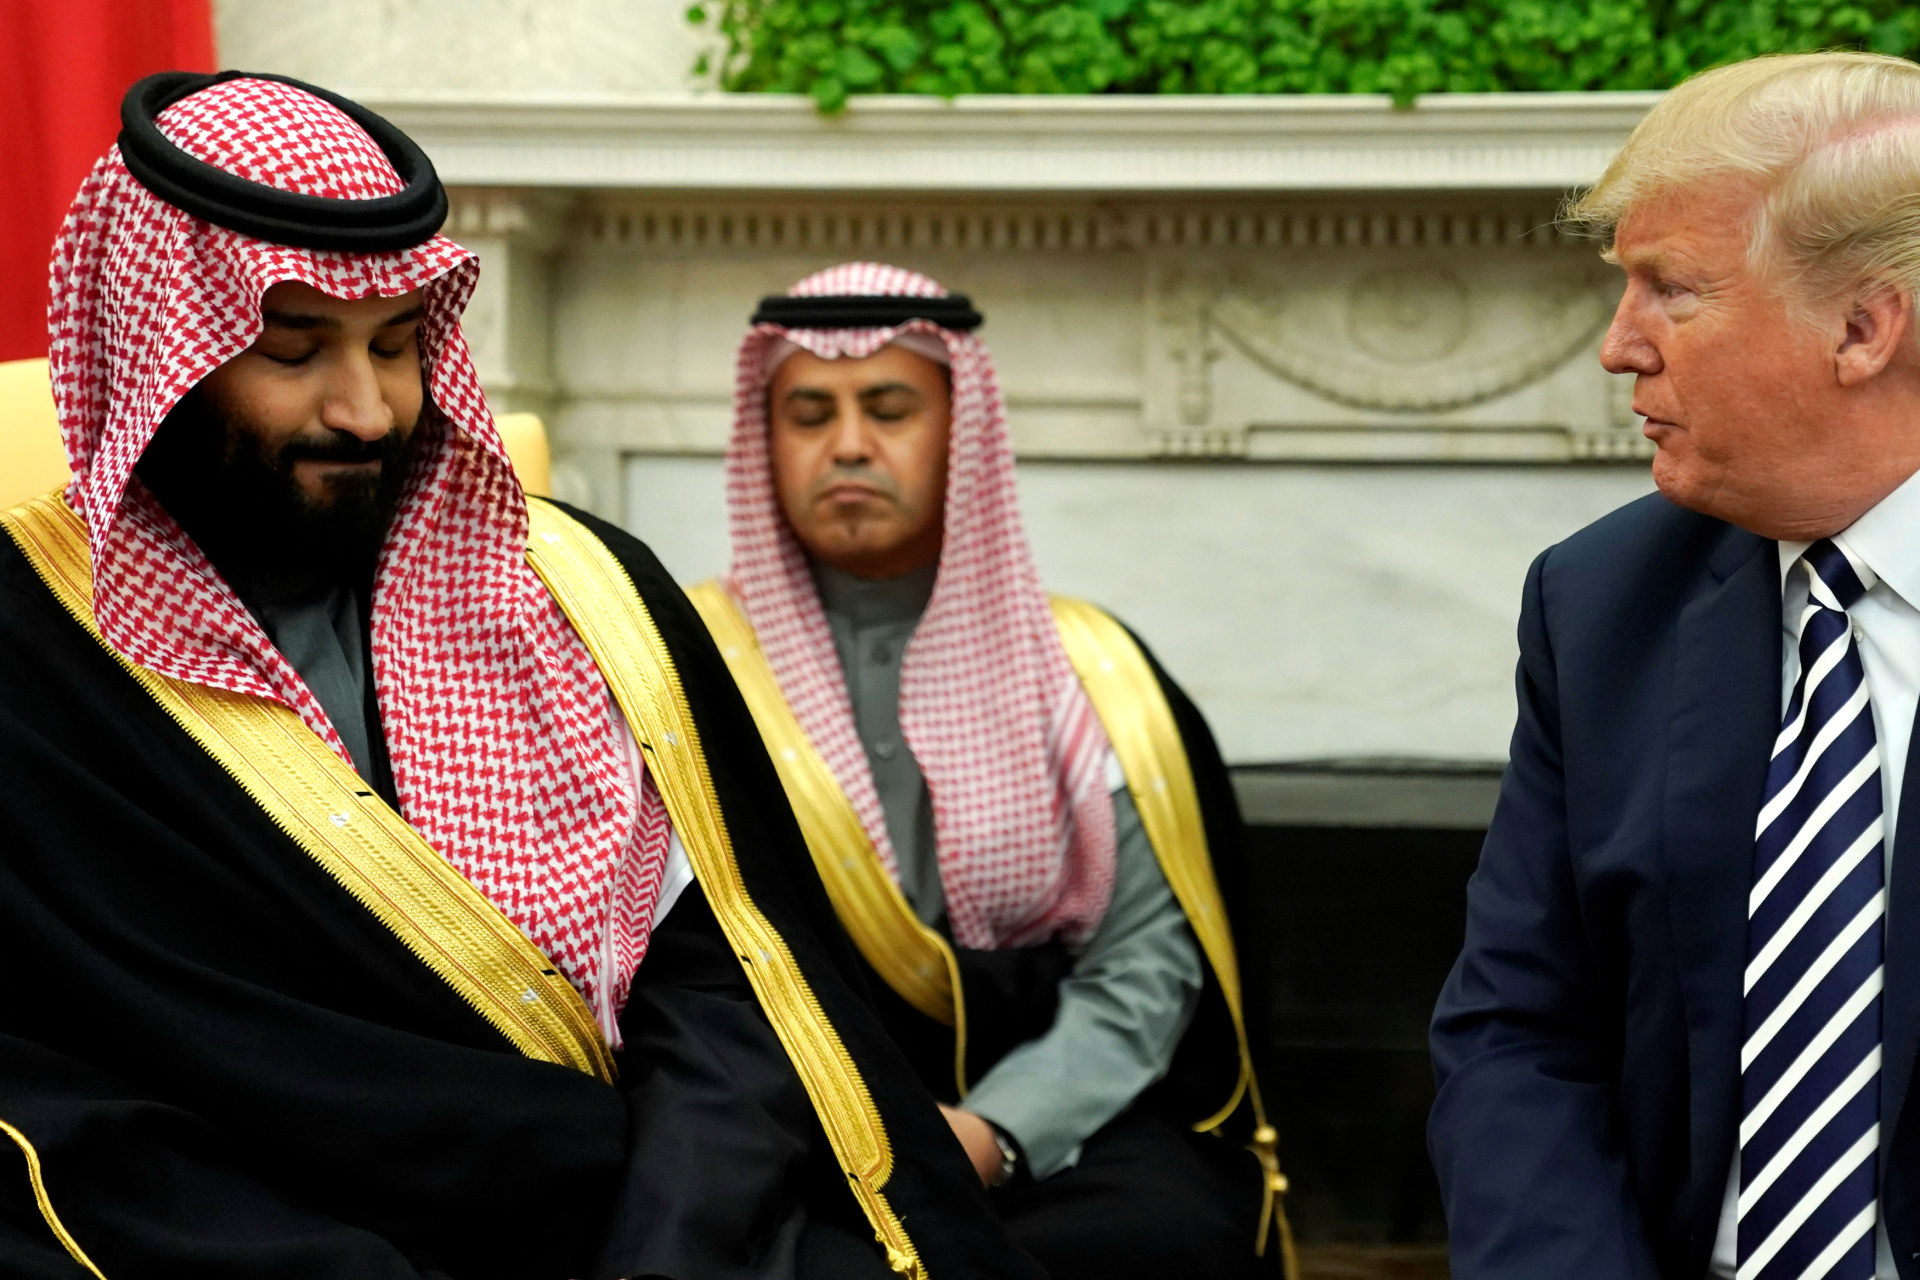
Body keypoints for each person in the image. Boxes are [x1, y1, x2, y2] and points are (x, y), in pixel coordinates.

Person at [0, 72, 1045, 1280]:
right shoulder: (33, 654)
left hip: (658, 1206)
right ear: (155, 353)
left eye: (397, 345)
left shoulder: (579, 595)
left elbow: (732, 988)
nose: (369, 408)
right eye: (294, 348)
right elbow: (54, 1106)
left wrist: (672, 1243)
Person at [686, 262, 1292, 1280]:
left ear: (960, 431)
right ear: (767, 438)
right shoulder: (681, 666)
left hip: (1050, 1114)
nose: (847, 445)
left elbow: (1144, 963)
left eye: (888, 408)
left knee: (1168, 1235)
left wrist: (998, 1127)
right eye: (808, 412)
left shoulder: (1094, 675)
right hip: (781, 1115)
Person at [1430, 50, 1920, 1280]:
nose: (1618, 346)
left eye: (1671, 290)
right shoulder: (1602, 602)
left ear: (1864, 326)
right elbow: (1519, 1032)